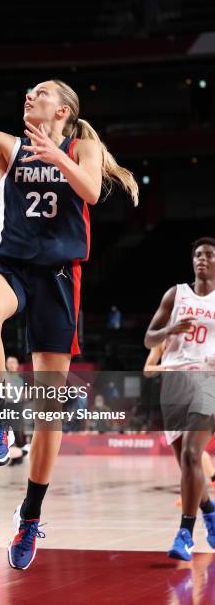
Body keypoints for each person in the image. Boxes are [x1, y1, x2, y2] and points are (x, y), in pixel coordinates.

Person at [0, 25, 138, 569]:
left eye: (40, 93)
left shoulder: (82, 145)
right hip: (11, 263)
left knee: (50, 412)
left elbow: (88, 191)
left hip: (59, 276)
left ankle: (30, 517)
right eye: (28, 93)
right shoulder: (5, 146)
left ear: (62, 111)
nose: (29, 97)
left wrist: (56, 156)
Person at [144, 237, 215, 561]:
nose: (202, 259)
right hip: (173, 383)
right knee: (185, 465)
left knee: (191, 456)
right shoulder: (176, 294)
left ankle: (185, 533)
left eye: (209, 255)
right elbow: (149, 338)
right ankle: (210, 512)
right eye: (198, 254)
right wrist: (171, 329)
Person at [144, 341, 215, 504]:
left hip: (203, 394)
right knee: (188, 451)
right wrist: (168, 367)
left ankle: (199, 491)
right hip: (175, 399)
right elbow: (148, 369)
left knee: (191, 449)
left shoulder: (201, 337)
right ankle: (200, 491)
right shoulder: (163, 340)